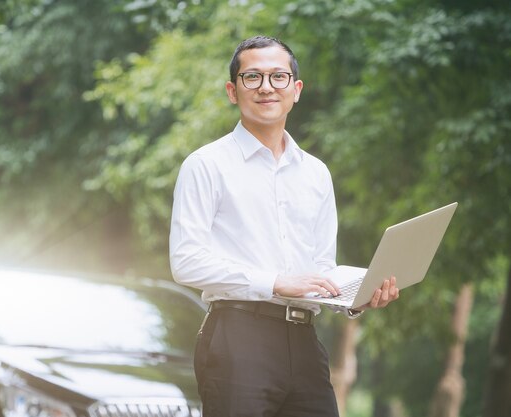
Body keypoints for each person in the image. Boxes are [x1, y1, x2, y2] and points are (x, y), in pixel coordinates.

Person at [169, 36, 400, 417]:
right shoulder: (205, 165)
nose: (266, 87)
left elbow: (321, 268)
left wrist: (356, 297)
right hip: (237, 335)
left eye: (278, 77)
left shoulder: (316, 173)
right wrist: (275, 282)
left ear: (296, 90)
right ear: (233, 90)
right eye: (252, 77)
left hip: (306, 340)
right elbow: (186, 261)